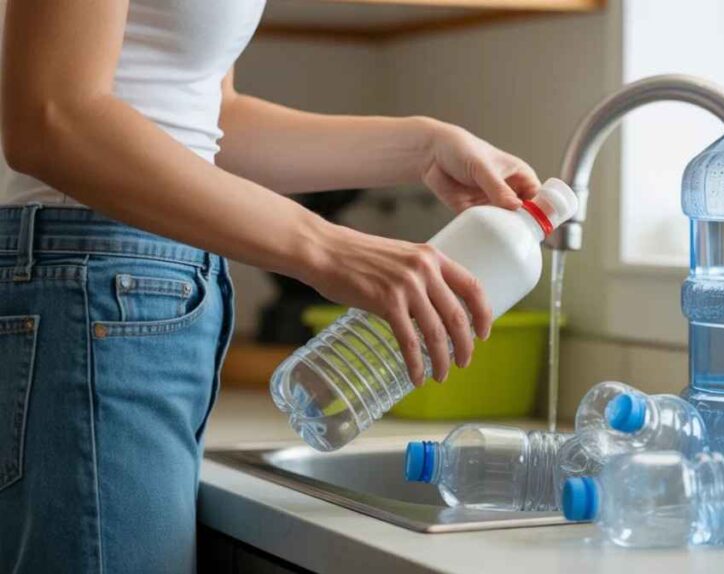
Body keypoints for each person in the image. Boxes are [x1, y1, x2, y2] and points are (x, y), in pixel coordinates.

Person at [0, 1, 540, 571]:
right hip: (99, 289)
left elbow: (212, 125)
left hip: (128, 294)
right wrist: (327, 248)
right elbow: (51, 117)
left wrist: (425, 146)